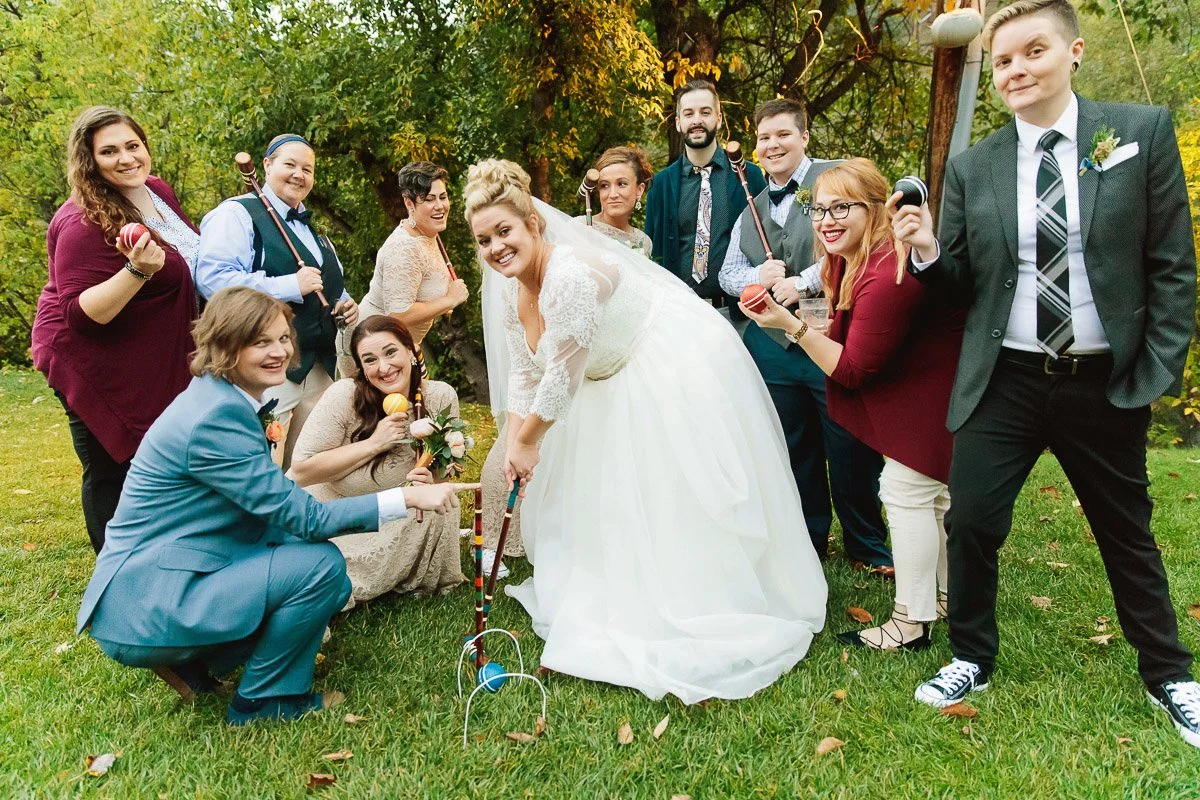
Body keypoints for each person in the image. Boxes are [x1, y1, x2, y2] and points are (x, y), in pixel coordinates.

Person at [893, 0, 1199, 748]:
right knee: (970, 523)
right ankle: (972, 655)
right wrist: (929, 250)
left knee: (1126, 531)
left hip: (1102, 380)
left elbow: (1172, 269)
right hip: (1007, 379)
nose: (1016, 69)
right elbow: (964, 285)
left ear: (1075, 52)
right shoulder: (974, 167)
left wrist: (1154, 374)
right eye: (1002, 60)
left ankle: (1170, 674)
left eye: (1033, 51)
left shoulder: (1139, 135)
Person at [468, 159, 827, 705]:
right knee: (608, 501)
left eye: (504, 231)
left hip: (661, 364)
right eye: (484, 239)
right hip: (600, 382)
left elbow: (561, 376)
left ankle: (703, 593)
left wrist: (526, 442)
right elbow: (526, 372)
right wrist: (513, 444)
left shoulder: (566, 277)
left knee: (673, 494)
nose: (495, 247)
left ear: (533, 224)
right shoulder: (512, 290)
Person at [75, 287, 475, 726]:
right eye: (260, 341)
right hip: (152, 598)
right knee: (319, 569)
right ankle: (266, 701)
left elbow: (272, 509)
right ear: (224, 345)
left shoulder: (218, 398)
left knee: (327, 576)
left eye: (283, 338)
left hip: (169, 571)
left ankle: (200, 663)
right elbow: (308, 517)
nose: (280, 351)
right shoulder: (215, 418)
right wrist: (406, 497)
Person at [740, 158, 964, 650]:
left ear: (877, 209)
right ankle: (947, 598)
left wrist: (789, 327)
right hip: (916, 391)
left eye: (843, 207)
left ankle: (910, 621)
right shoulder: (846, 260)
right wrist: (796, 317)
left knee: (907, 493)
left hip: (933, 396)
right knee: (932, 498)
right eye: (819, 209)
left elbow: (851, 369)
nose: (827, 220)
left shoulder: (888, 270)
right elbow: (837, 326)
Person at [719, 98, 893, 576]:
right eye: (764, 137)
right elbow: (727, 272)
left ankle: (868, 546)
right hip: (774, 347)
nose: (771, 145)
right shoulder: (750, 205)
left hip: (832, 335)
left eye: (782, 135)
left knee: (851, 446)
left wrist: (803, 281)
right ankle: (808, 540)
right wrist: (758, 275)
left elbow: (862, 238)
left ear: (804, 138)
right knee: (793, 446)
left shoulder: (837, 181)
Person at [31, 106, 199, 553]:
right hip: (89, 357)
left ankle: (165, 551)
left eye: (132, 145)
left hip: (144, 348)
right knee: (111, 465)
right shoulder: (81, 221)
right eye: (109, 151)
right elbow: (83, 315)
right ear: (89, 162)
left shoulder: (157, 192)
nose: (126, 158)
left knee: (159, 458)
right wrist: (136, 271)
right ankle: (117, 573)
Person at [195, 134, 360, 468]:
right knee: (262, 466)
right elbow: (213, 280)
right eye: (290, 164)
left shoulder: (317, 234)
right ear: (267, 165)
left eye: (308, 169)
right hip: (265, 367)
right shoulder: (236, 215)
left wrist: (345, 303)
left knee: (312, 468)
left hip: (319, 369)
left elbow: (330, 287)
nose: (299, 174)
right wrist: (288, 285)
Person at [290, 315, 465, 606]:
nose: (383, 368)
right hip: (332, 509)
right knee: (303, 569)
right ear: (360, 367)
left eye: (391, 352)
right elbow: (301, 472)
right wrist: (374, 444)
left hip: (395, 515)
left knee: (441, 504)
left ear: (410, 351)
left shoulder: (439, 397)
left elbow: (445, 473)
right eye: (369, 360)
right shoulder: (345, 395)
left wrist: (432, 479)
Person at [644, 79, 765, 321]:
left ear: (718, 119)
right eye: (689, 113)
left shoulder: (748, 175)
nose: (697, 120)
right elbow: (652, 253)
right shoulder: (662, 184)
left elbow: (764, 242)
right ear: (679, 123)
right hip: (679, 313)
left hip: (738, 313)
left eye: (705, 112)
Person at [342, 161, 468, 362]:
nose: (440, 206)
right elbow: (398, 315)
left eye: (443, 197)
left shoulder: (428, 233)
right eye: (429, 199)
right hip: (371, 351)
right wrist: (449, 300)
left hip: (400, 347)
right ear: (409, 203)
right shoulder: (404, 247)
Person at [574, 146, 654, 256]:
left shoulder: (644, 242)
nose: (613, 194)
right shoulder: (579, 228)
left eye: (622, 184)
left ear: (639, 190)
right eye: (604, 185)